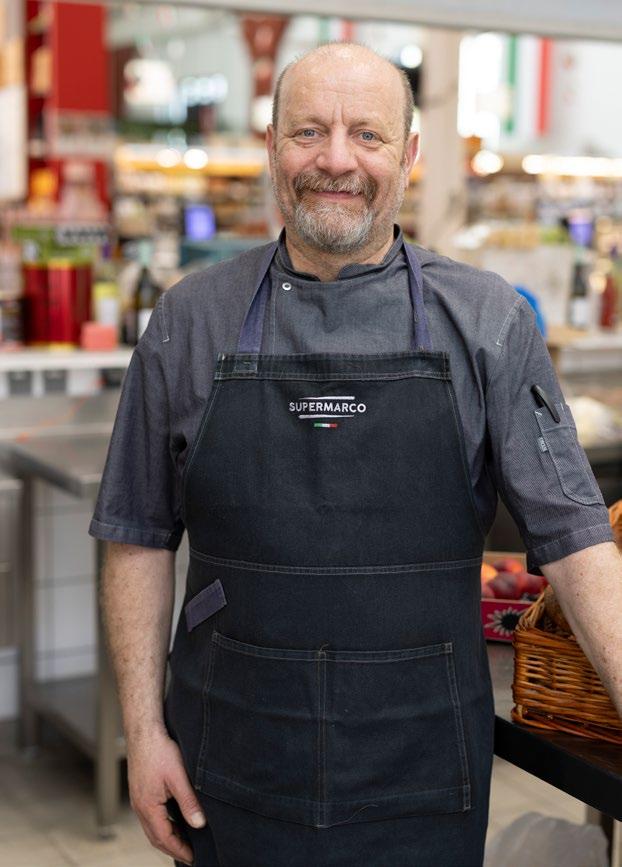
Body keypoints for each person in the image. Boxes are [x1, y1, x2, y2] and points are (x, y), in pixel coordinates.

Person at [89, 42, 622, 867]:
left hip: (424, 766)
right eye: (308, 131)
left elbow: (577, 540)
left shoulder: (487, 321)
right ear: (272, 147)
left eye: (367, 134)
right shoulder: (189, 320)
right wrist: (142, 730)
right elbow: (137, 537)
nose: (336, 160)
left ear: (407, 155)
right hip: (231, 757)